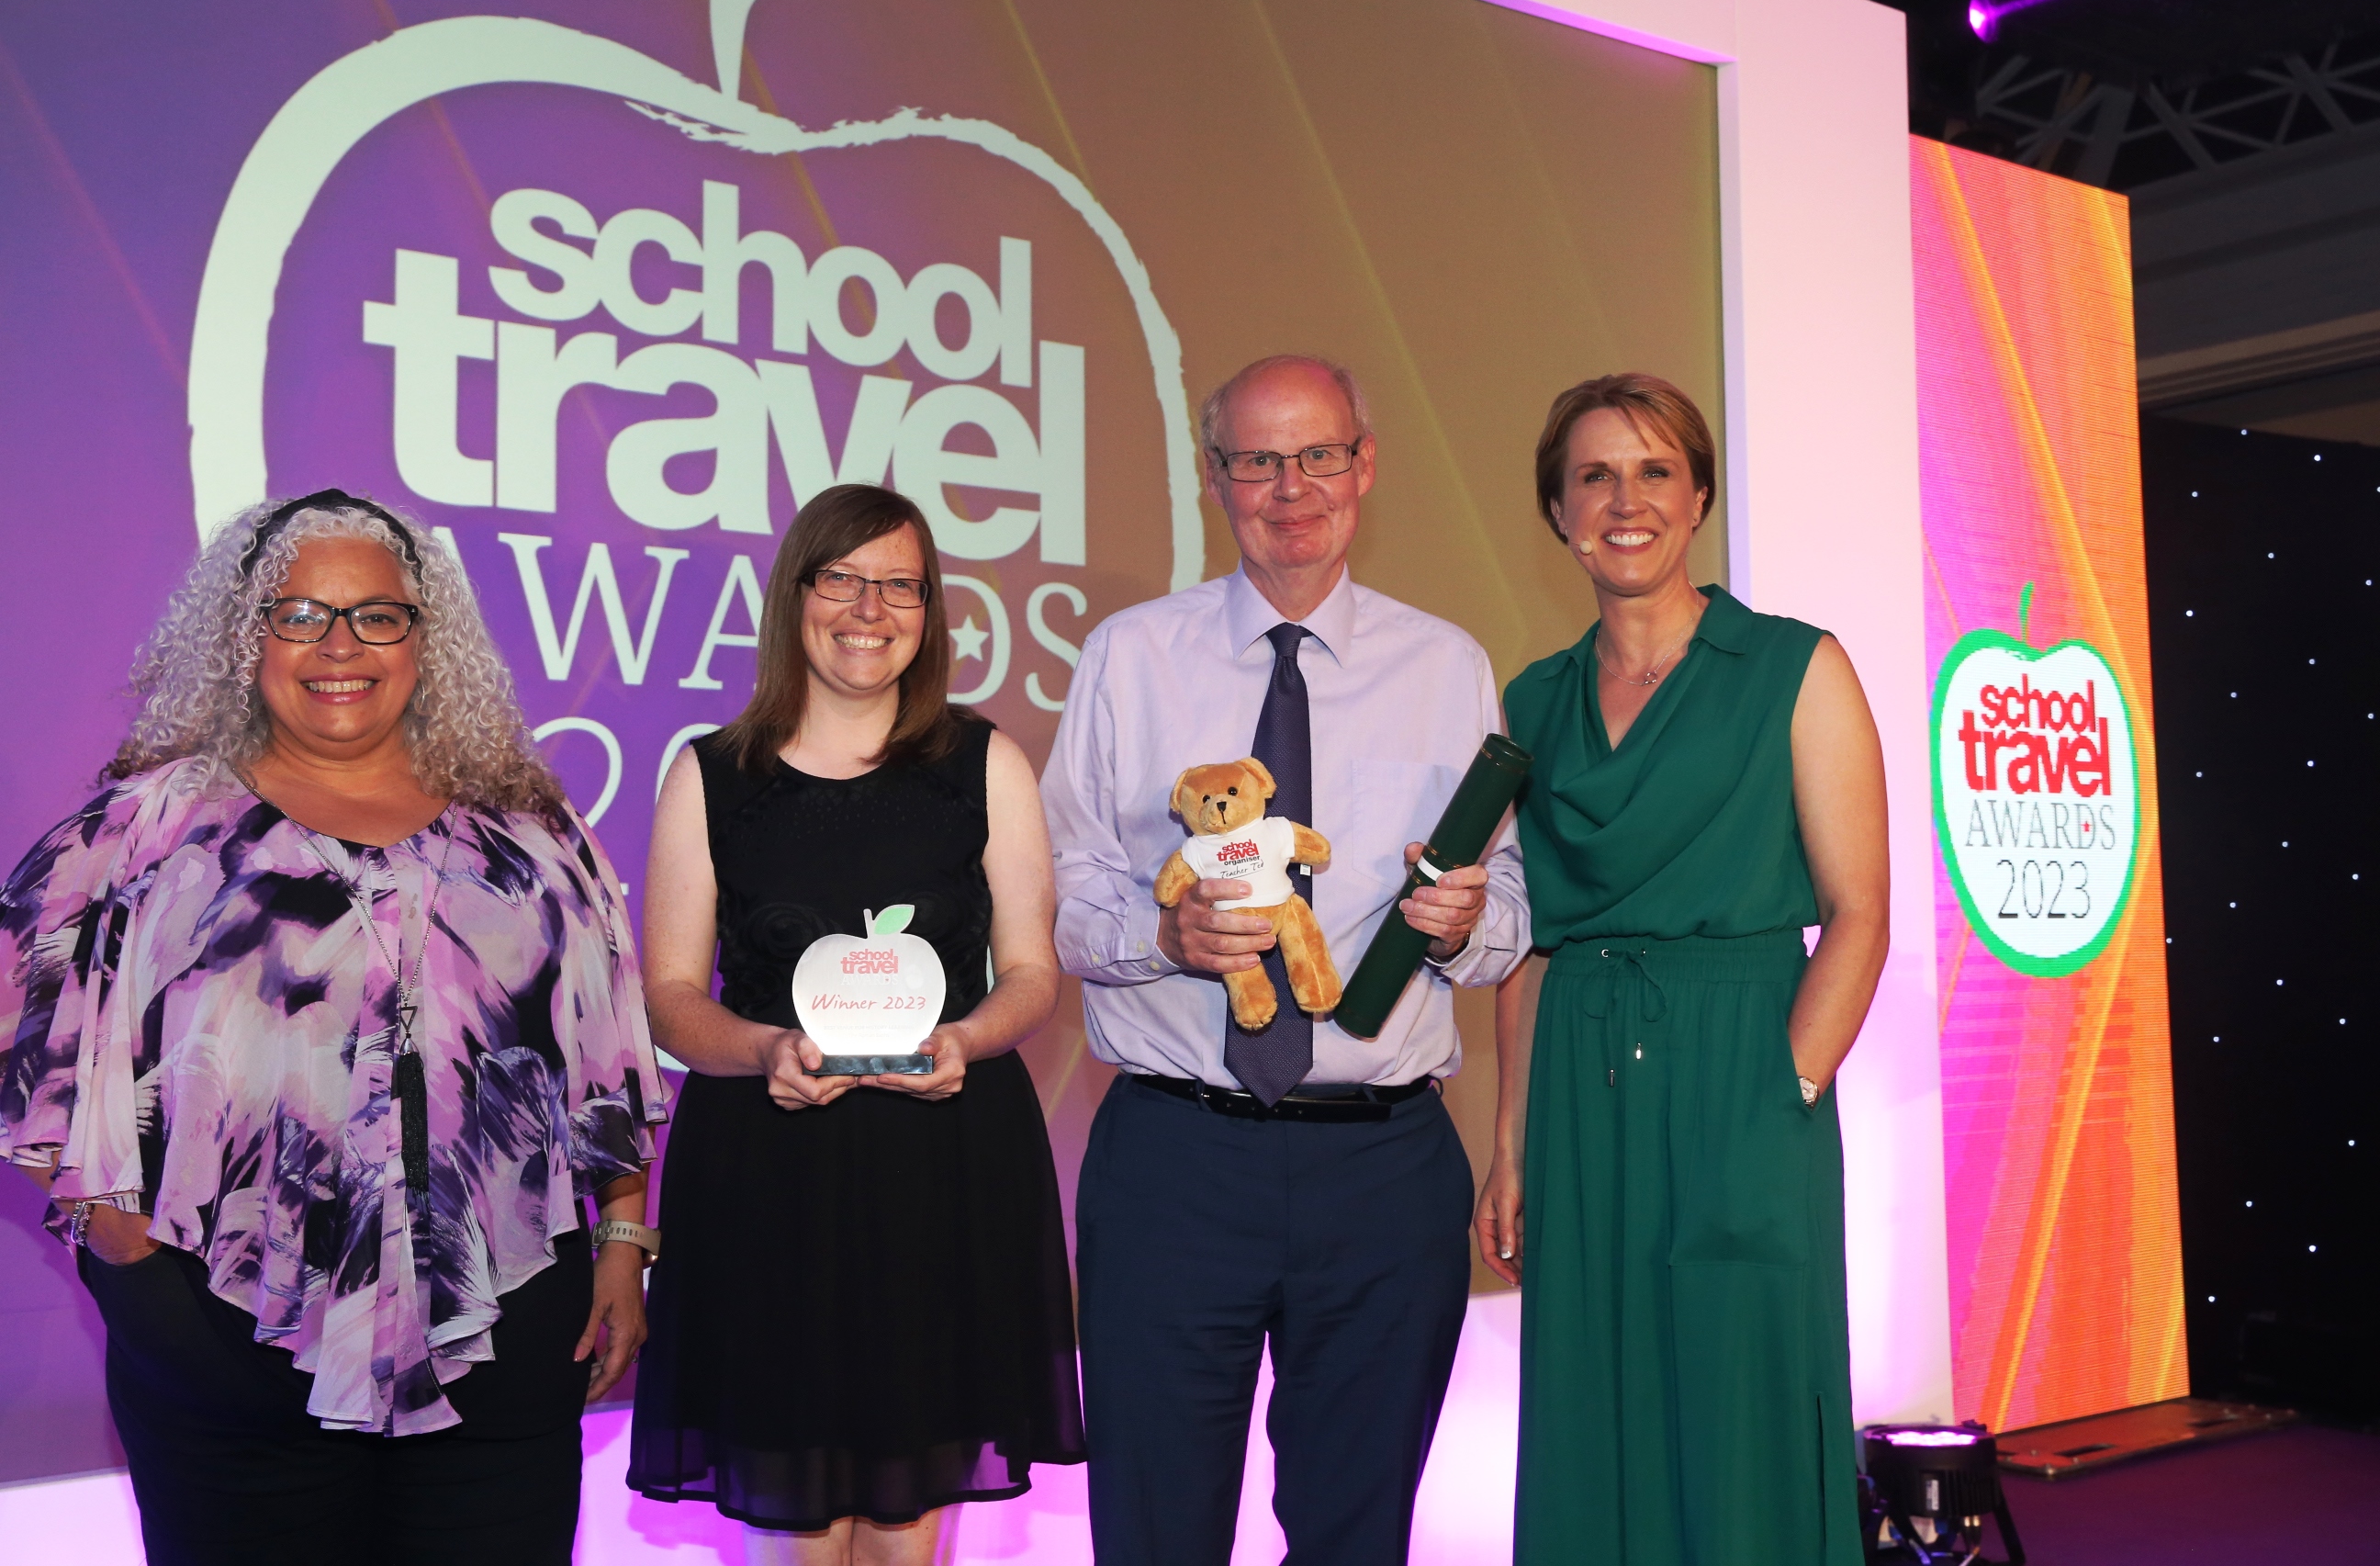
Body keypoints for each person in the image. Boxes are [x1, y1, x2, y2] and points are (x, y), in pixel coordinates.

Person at [0, 490, 668, 1566]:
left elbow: (609, 1068)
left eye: (375, 616)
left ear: (423, 638)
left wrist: (624, 1241)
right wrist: (123, 1245)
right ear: (246, 637)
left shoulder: (535, 835)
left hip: (504, 1328)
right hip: (227, 1330)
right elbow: (20, 1036)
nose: (338, 645)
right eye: (299, 613)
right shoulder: (146, 825)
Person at [1042, 354, 1530, 1565]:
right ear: (1216, 480)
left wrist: (1468, 921)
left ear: (1364, 467)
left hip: (1383, 1169)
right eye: (1258, 460)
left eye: (1318, 454)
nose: (1290, 486)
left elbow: (1512, 910)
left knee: (1357, 1534)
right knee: (1154, 1531)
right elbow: (1068, 894)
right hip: (1174, 1162)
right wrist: (1160, 937)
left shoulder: (1449, 666)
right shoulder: (1129, 656)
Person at [628, 484, 1085, 1565]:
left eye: (899, 586)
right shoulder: (710, 775)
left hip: (943, 1169)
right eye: (841, 578)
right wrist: (763, 1051)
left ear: (930, 614)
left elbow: (1030, 973)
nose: (867, 608)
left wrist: (967, 1040)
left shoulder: (986, 763)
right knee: (794, 1527)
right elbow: (671, 998)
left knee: (904, 1521)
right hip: (768, 1173)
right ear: (796, 596)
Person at [1476, 375, 1889, 1565]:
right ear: (1557, 509)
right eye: (1594, 475)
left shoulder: (1796, 667)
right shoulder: (1534, 700)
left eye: (1655, 471)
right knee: (1591, 1407)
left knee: (1743, 1402)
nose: (1625, 500)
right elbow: (1528, 942)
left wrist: (1783, 1098)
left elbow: (1861, 916)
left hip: (1743, 1069)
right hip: (1580, 1096)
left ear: (1698, 495)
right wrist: (1509, 1144)